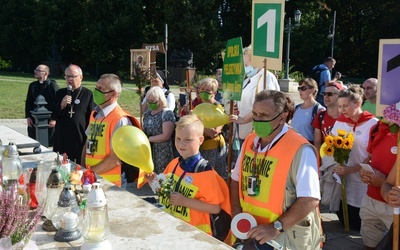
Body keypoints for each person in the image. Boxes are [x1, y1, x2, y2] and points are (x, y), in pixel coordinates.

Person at [230, 90, 323, 249]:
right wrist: (237, 215)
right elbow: (235, 181)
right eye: (255, 114)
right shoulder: (250, 140)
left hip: (284, 236)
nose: (257, 120)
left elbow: (310, 199)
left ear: (282, 117)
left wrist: (275, 227)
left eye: (264, 116)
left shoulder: (300, 149)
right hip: (250, 232)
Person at [147, 114, 231, 241]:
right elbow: (167, 194)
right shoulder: (174, 163)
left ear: (201, 140)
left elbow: (215, 208)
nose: (181, 144)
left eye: (188, 140)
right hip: (174, 230)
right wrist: (154, 183)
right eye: (178, 138)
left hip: (197, 235)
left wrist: (184, 201)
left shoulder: (205, 172)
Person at [332, 85, 378, 231]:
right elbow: (331, 145)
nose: (342, 110)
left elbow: (373, 155)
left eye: (345, 106)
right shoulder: (340, 122)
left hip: (362, 179)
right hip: (343, 177)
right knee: (343, 219)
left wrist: (352, 169)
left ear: (358, 103)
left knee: (359, 224)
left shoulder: (373, 124)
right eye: (339, 106)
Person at [82, 74, 141, 188]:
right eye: (96, 87)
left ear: (113, 93)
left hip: (110, 183)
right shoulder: (95, 114)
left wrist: (88, 173)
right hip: (91, 178)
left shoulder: (121, 120)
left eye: (101, 89)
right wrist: (84, 169)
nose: (96, 91)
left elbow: (115, 159)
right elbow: (87, 143)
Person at [358, 120, 398, 249]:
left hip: (392, 209)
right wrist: (366, 171)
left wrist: (383, 183)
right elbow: (371, 158)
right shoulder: (377, 128)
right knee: (370, 244)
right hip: (371, 199)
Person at [231, 45, 280, 142]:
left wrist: (244, 119)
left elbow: (266, 106)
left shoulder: (267, 78)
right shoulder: (248, 80)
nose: (245, 68)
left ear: (256, 61)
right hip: (243, 131)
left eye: (246, 65)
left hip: (257, 132)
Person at [51, 64, 94, 164]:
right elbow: (53, 115)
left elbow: (92, 118)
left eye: (73, 76)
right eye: (67, 76)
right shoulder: (60, 93)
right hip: (61, 138)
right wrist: (61, 105)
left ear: (81, 77)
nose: (69, 79)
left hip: (79, 138)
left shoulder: (88, 94)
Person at [198, 78, 228, 179]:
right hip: (200, 146)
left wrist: (199, 121)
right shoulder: (200, 107)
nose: (203, 92)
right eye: (202, 89)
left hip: (214, 147)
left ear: (214, 93)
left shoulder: (218, 108)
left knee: (213, 176)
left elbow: (214, 132)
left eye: (207, 90)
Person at [143, 86, 176, 174]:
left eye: (153, 101)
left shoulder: (167, 113)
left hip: (163, 152)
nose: (150, 103)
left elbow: (166, 136)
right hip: (149, 151)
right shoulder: (147, 114)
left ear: (160, 100)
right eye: (148, 101)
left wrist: (147, 139)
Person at [25, 64, 59, 145]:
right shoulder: (33, 85)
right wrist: (28, 116)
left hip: (49, 119)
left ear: (45, 73)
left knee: (49, 143)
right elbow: (29, 101)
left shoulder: (52, 85)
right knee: (33, 141)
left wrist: (54, 119)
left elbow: (57, 102)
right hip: (34, 118)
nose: (35, 72)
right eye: (35, 70)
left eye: (38, 70)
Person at [291, 78, 325, 144]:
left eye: (303, 88)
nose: (300, 91)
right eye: (299, 88)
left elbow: (318, 139)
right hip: (293, 146)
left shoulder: (319, 110)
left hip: (307, 148)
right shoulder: (296, 108)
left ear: (313, 90)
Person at [313, 82, 343, 152]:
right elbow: (317, 142)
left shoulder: (346, 117)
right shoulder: (320, 116)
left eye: (330, 94)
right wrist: (319, 160)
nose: (326, 97)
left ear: (339, 96)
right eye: (324, 94)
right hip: (325, 158)